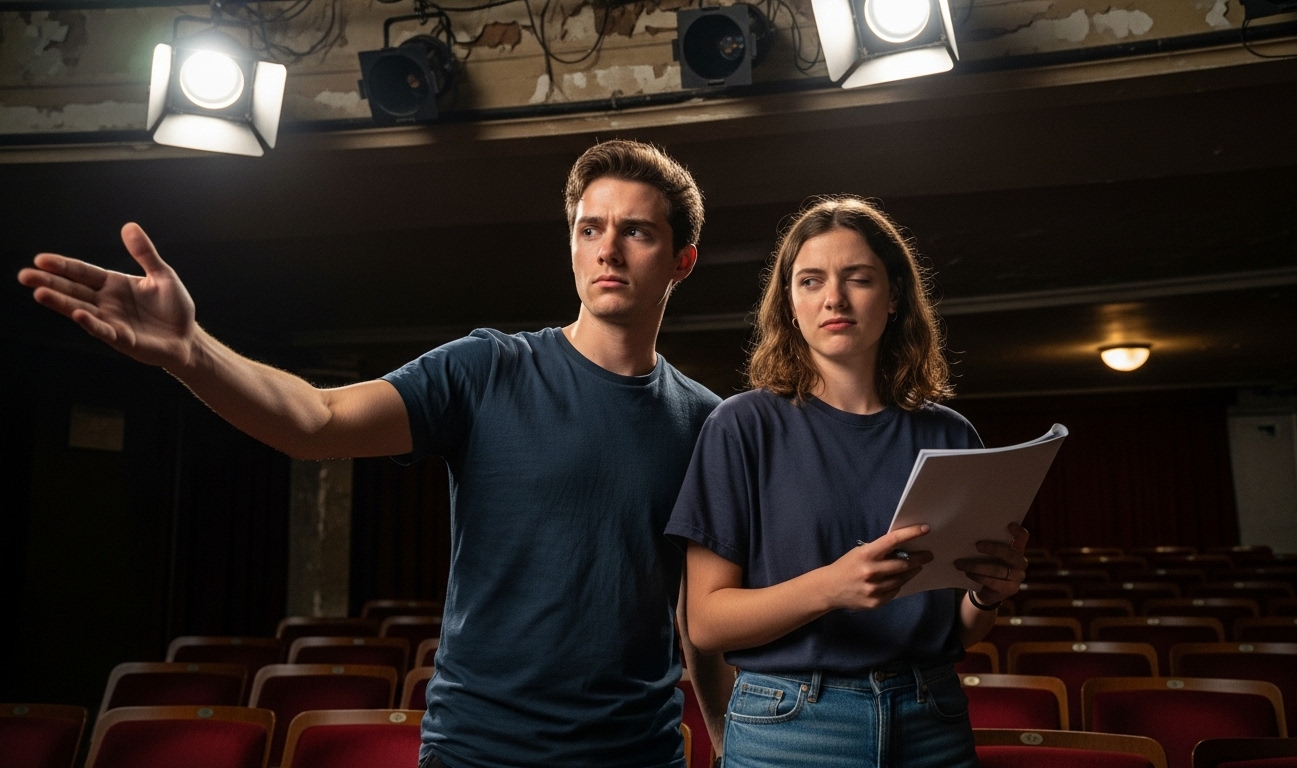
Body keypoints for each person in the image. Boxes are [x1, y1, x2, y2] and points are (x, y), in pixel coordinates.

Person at [17, 140, 735, 768]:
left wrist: (733, 746)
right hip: (480, 750)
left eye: (635, 231)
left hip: (634, 754)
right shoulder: (486, 370)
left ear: (683, 260)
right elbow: (316, 421)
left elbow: (700, 624)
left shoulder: (708, 423)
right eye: (590, 228)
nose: (607, 248)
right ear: (572, 244)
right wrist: (190, 352)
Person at [665, 197, 1030, 767]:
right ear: (789, 303)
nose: (833, 298)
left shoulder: (951, 434)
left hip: (931, 715)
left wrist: (988, 593)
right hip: (792, 725)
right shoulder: (741, 425)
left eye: (857, 278)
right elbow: (707, 622)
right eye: (811, 281)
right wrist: (832, 588)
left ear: (895, 297)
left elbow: (962, 631)